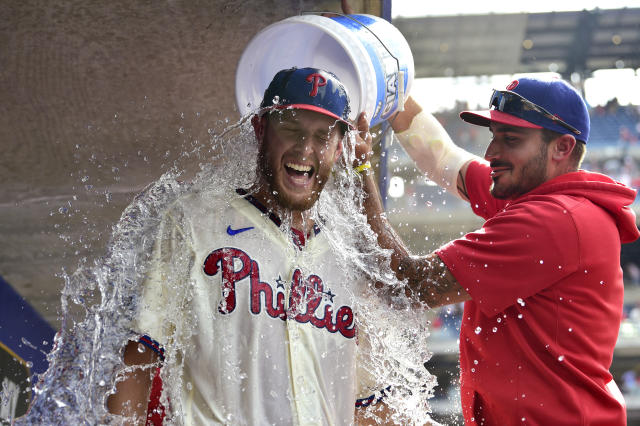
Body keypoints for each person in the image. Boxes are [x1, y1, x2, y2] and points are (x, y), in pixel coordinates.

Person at [107, 67, 385, 425]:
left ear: (340, 148)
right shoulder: (195, 221)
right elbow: (138, 360)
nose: (305, 148)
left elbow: (371, 407)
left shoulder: (351, 256)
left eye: (323, 136)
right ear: (260, 129)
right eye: (291, 128)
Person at [356, 77, 640, 425]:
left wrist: (358, 168)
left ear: (562, 148)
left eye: (511, 140)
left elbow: (408, 285)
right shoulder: (537, 194)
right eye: (494, 136)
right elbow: (444, 159)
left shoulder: (552, 220)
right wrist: (389, 88)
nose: (491, 153)